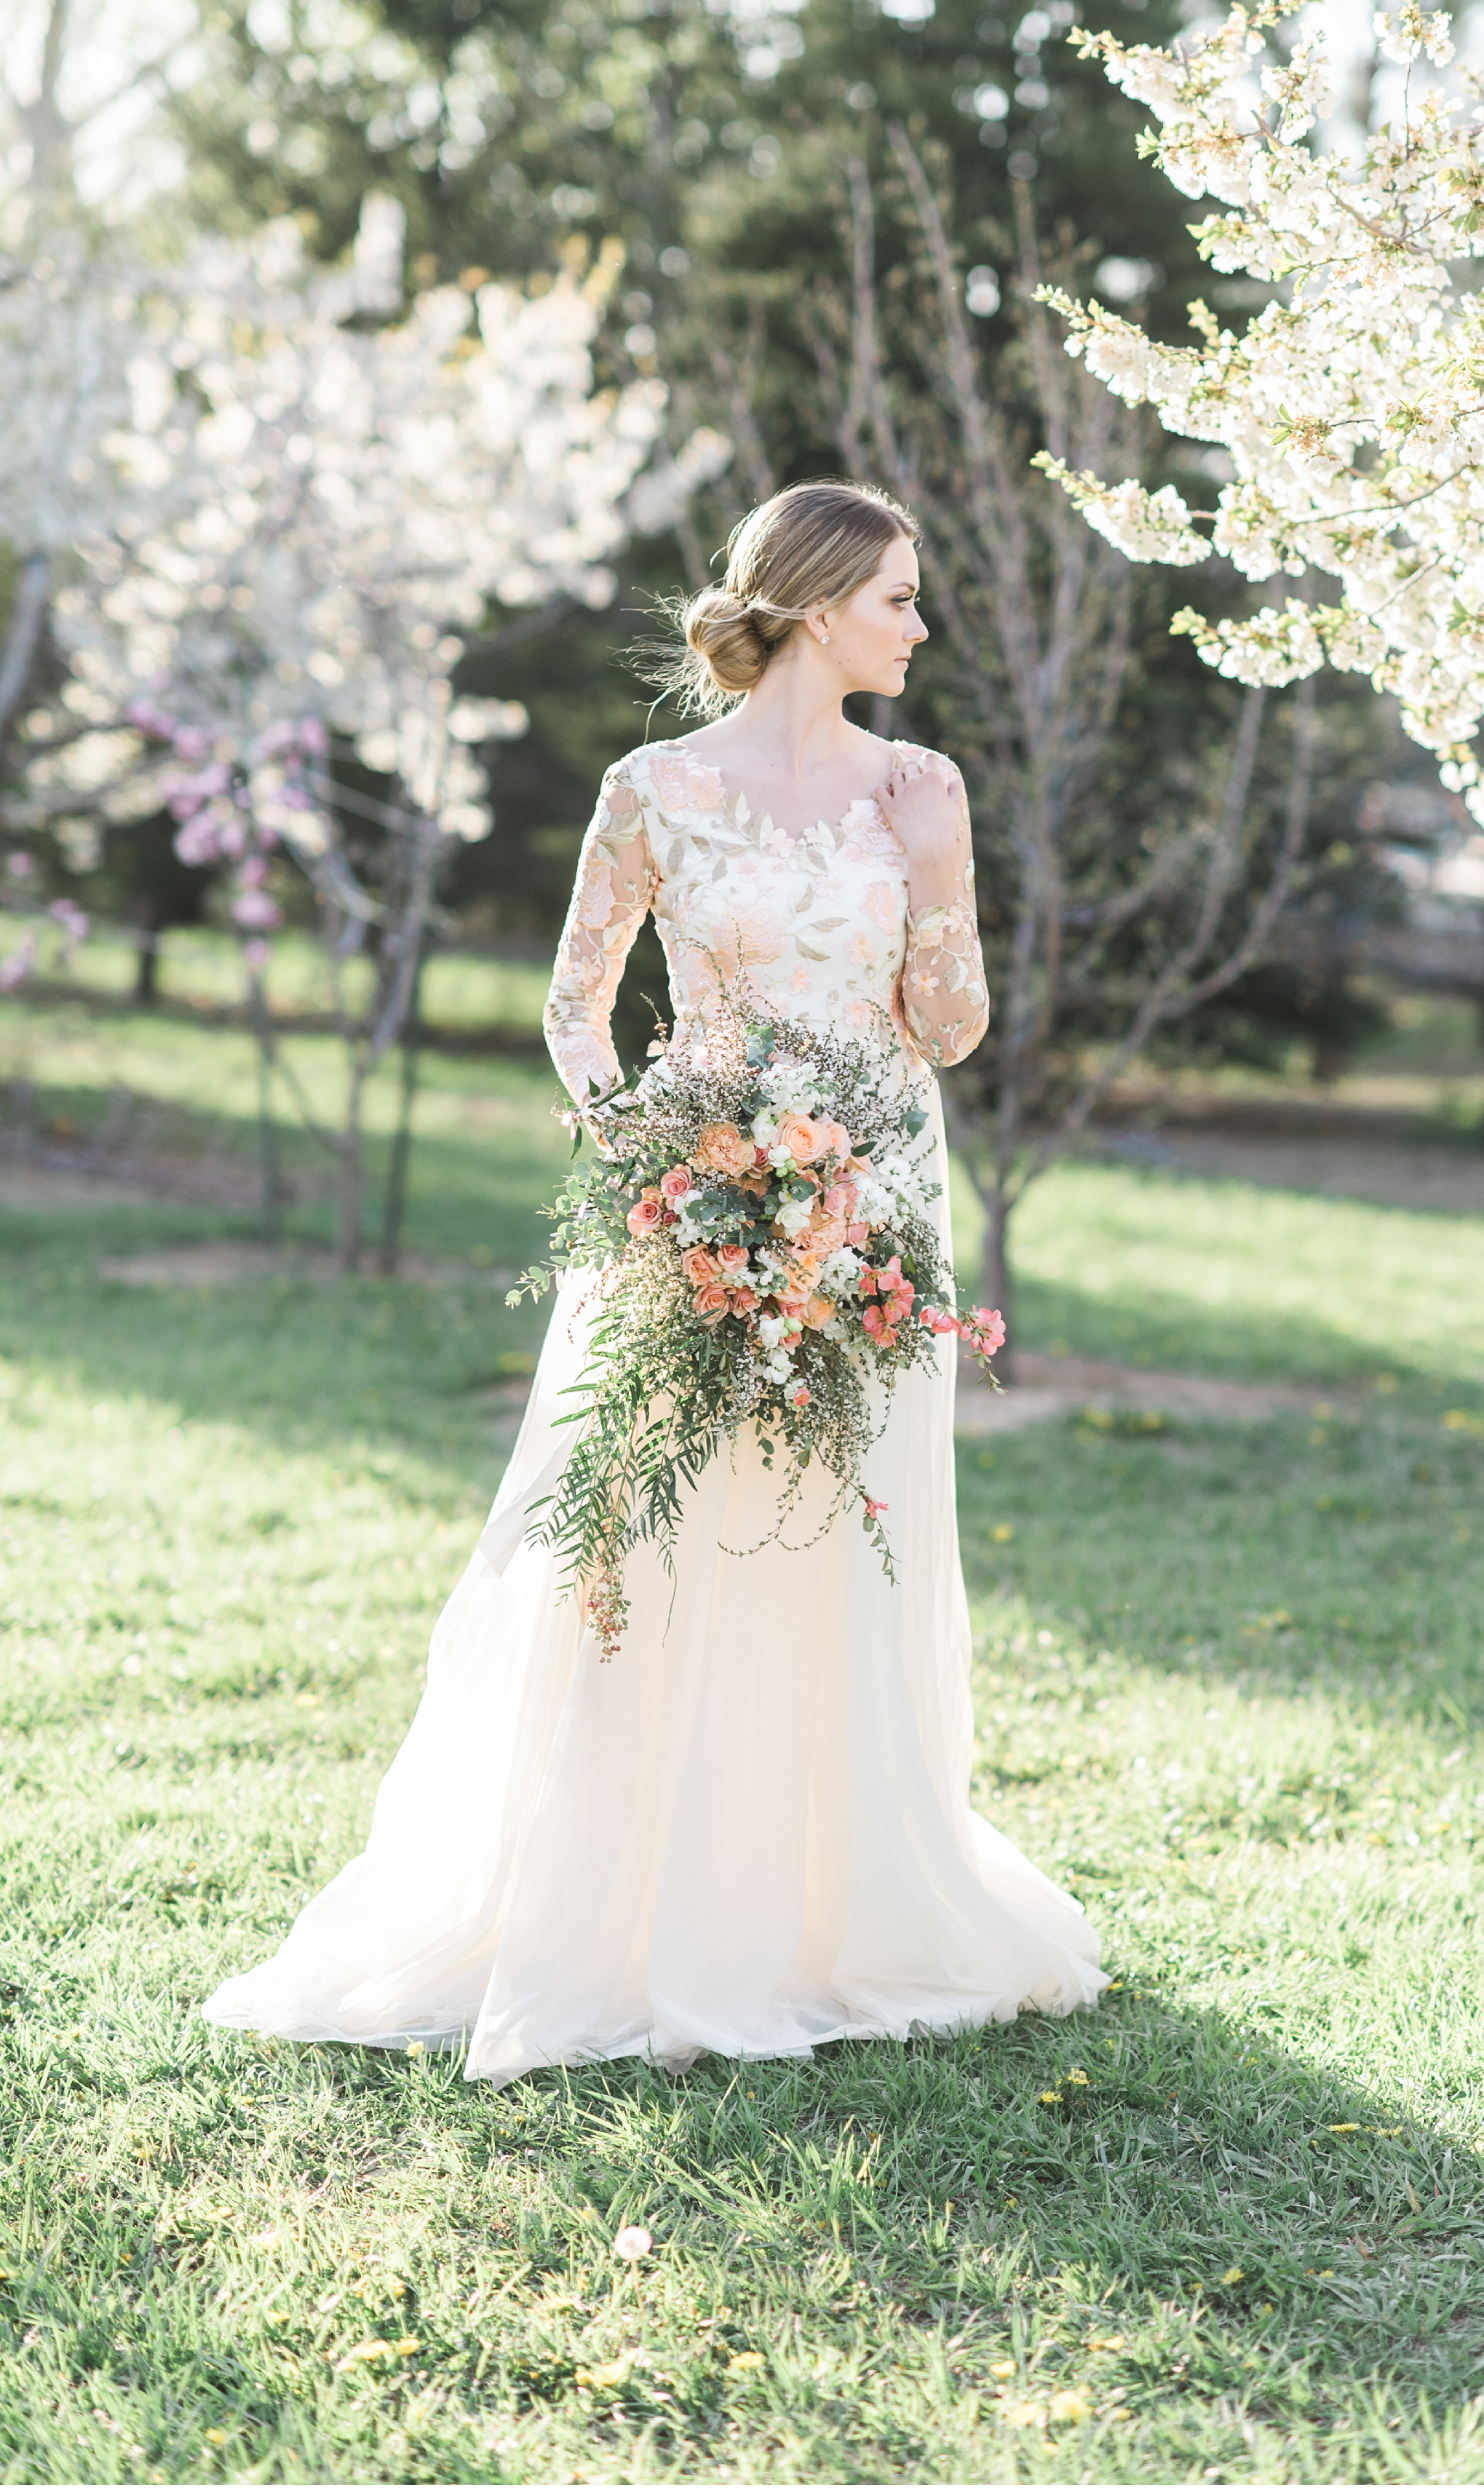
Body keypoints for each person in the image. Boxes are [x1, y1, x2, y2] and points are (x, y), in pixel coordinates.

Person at [204, 480, 1106, 2082]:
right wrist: (639, 1140)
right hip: (692, 1190)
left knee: (842, 1527)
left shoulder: (921, 785)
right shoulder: (651, 787)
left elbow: (950, 1030)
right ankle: (620, 1901)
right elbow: (576, 996)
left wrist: (933, 885)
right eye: (896, 597)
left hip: (877, 1195)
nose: (917, 624)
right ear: (817, 605)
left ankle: (827, 1904)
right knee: (649, 1529)